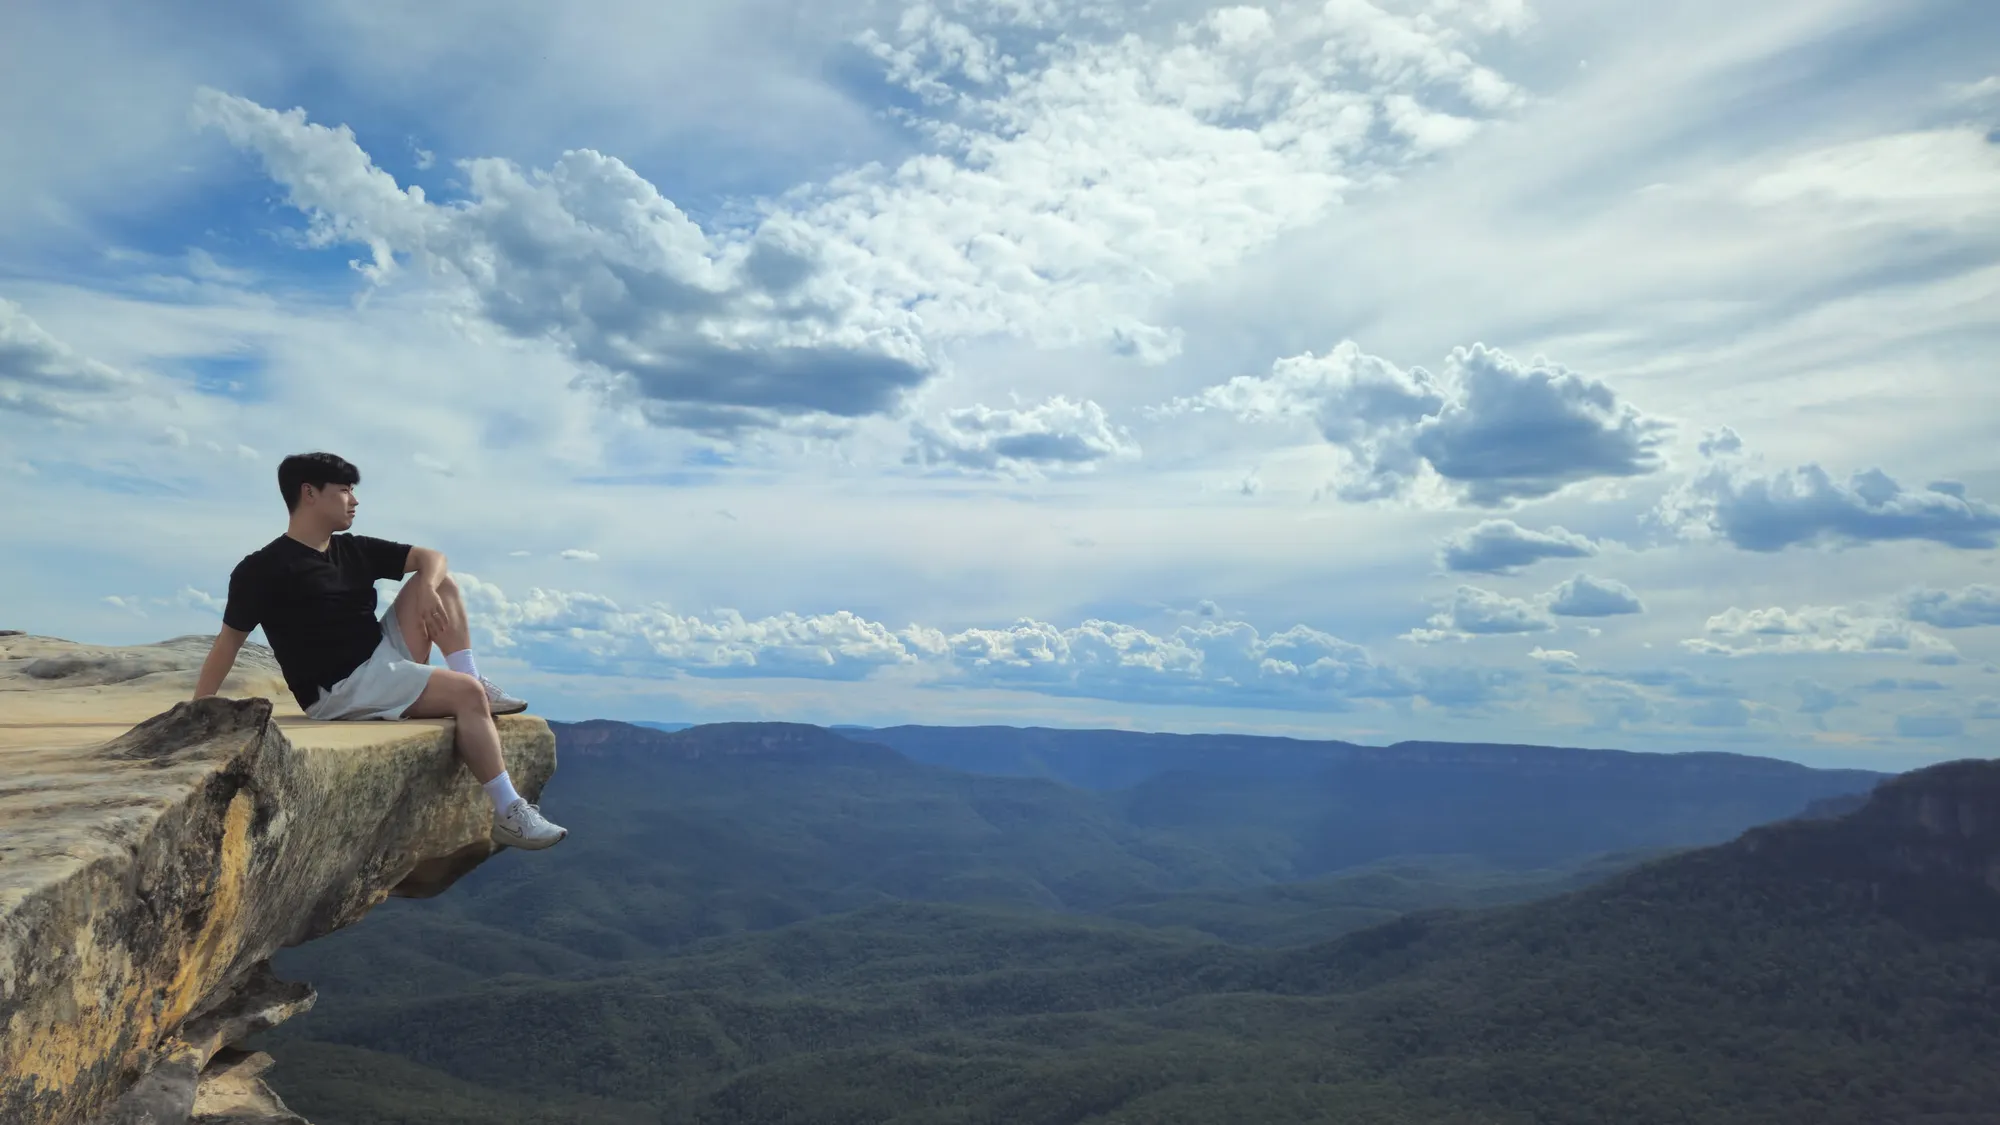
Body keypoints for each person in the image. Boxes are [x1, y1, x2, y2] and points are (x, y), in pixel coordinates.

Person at [192, 451, 566, 850]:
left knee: (442, 583)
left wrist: (424, 585)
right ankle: (509, 812)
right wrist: (198, 708)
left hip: (380, 658)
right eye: (344, 490)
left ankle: (471, 676)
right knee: (466, 696)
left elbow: (432, 558)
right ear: (310, 493)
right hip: (339, 688)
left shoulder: (351, 550)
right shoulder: (262, 569)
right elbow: (229, 640)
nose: (354, 500)